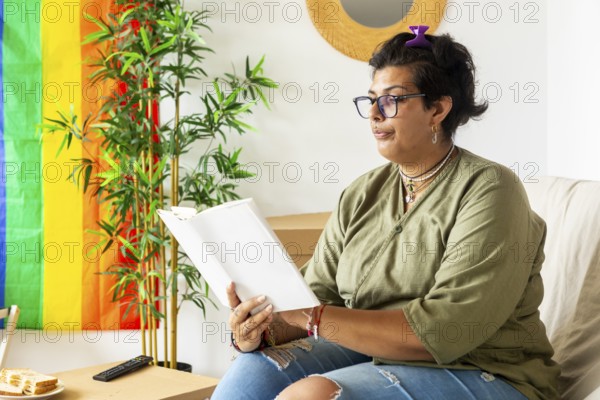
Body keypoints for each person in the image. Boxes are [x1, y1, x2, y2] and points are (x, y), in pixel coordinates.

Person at [211, 27, 560, 400]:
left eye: (392, 101)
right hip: (377, 355)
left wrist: (306, 315)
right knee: (255, 370)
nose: (374, 114)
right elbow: (312, 295)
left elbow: (445, 331)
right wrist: (261, 329)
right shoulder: (362, 193)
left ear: (438, 110)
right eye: (371, 99)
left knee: (312, 394)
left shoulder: (491, 189)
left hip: (484, 369)